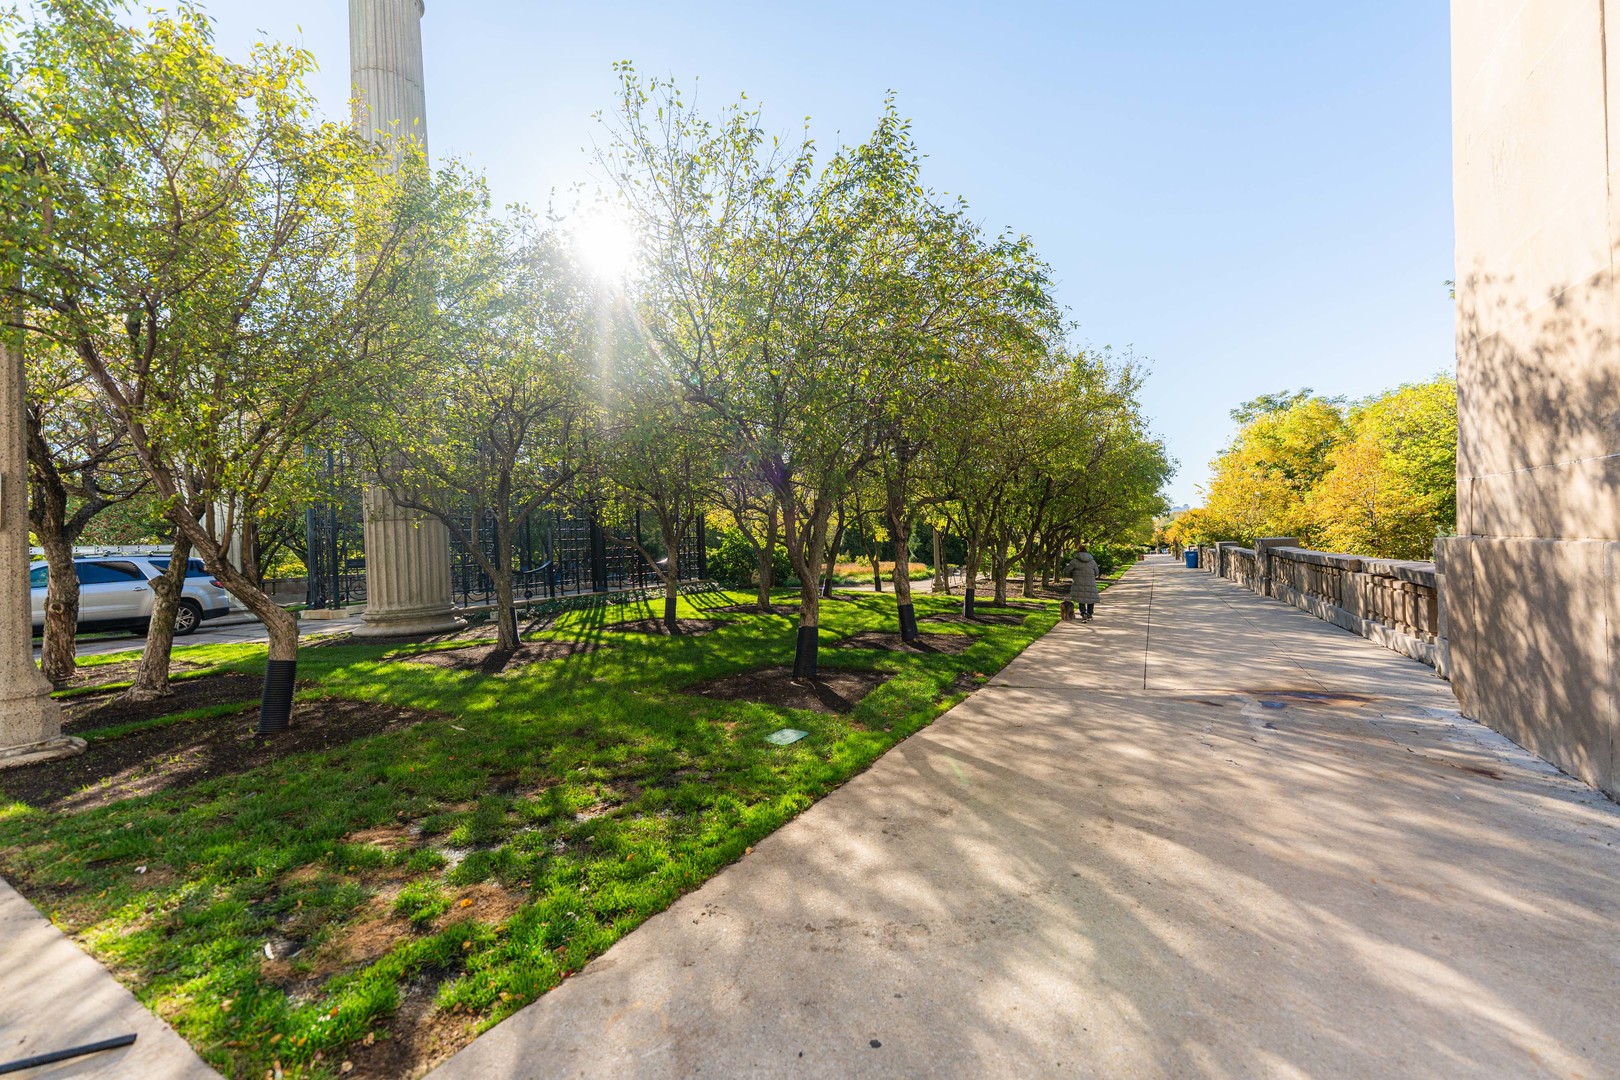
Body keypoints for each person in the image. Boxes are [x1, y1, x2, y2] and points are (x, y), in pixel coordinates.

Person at [1067, 547, 1099, 622]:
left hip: (1078, 582)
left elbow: (1066, 570)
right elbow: (1097, 572)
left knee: (1081, 599)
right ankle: (1090, 614)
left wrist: (1072, 575)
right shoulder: (1092, 562)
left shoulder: (1074, 561)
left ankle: (1083, 614)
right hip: (1090, 582)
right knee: (1090, 598)